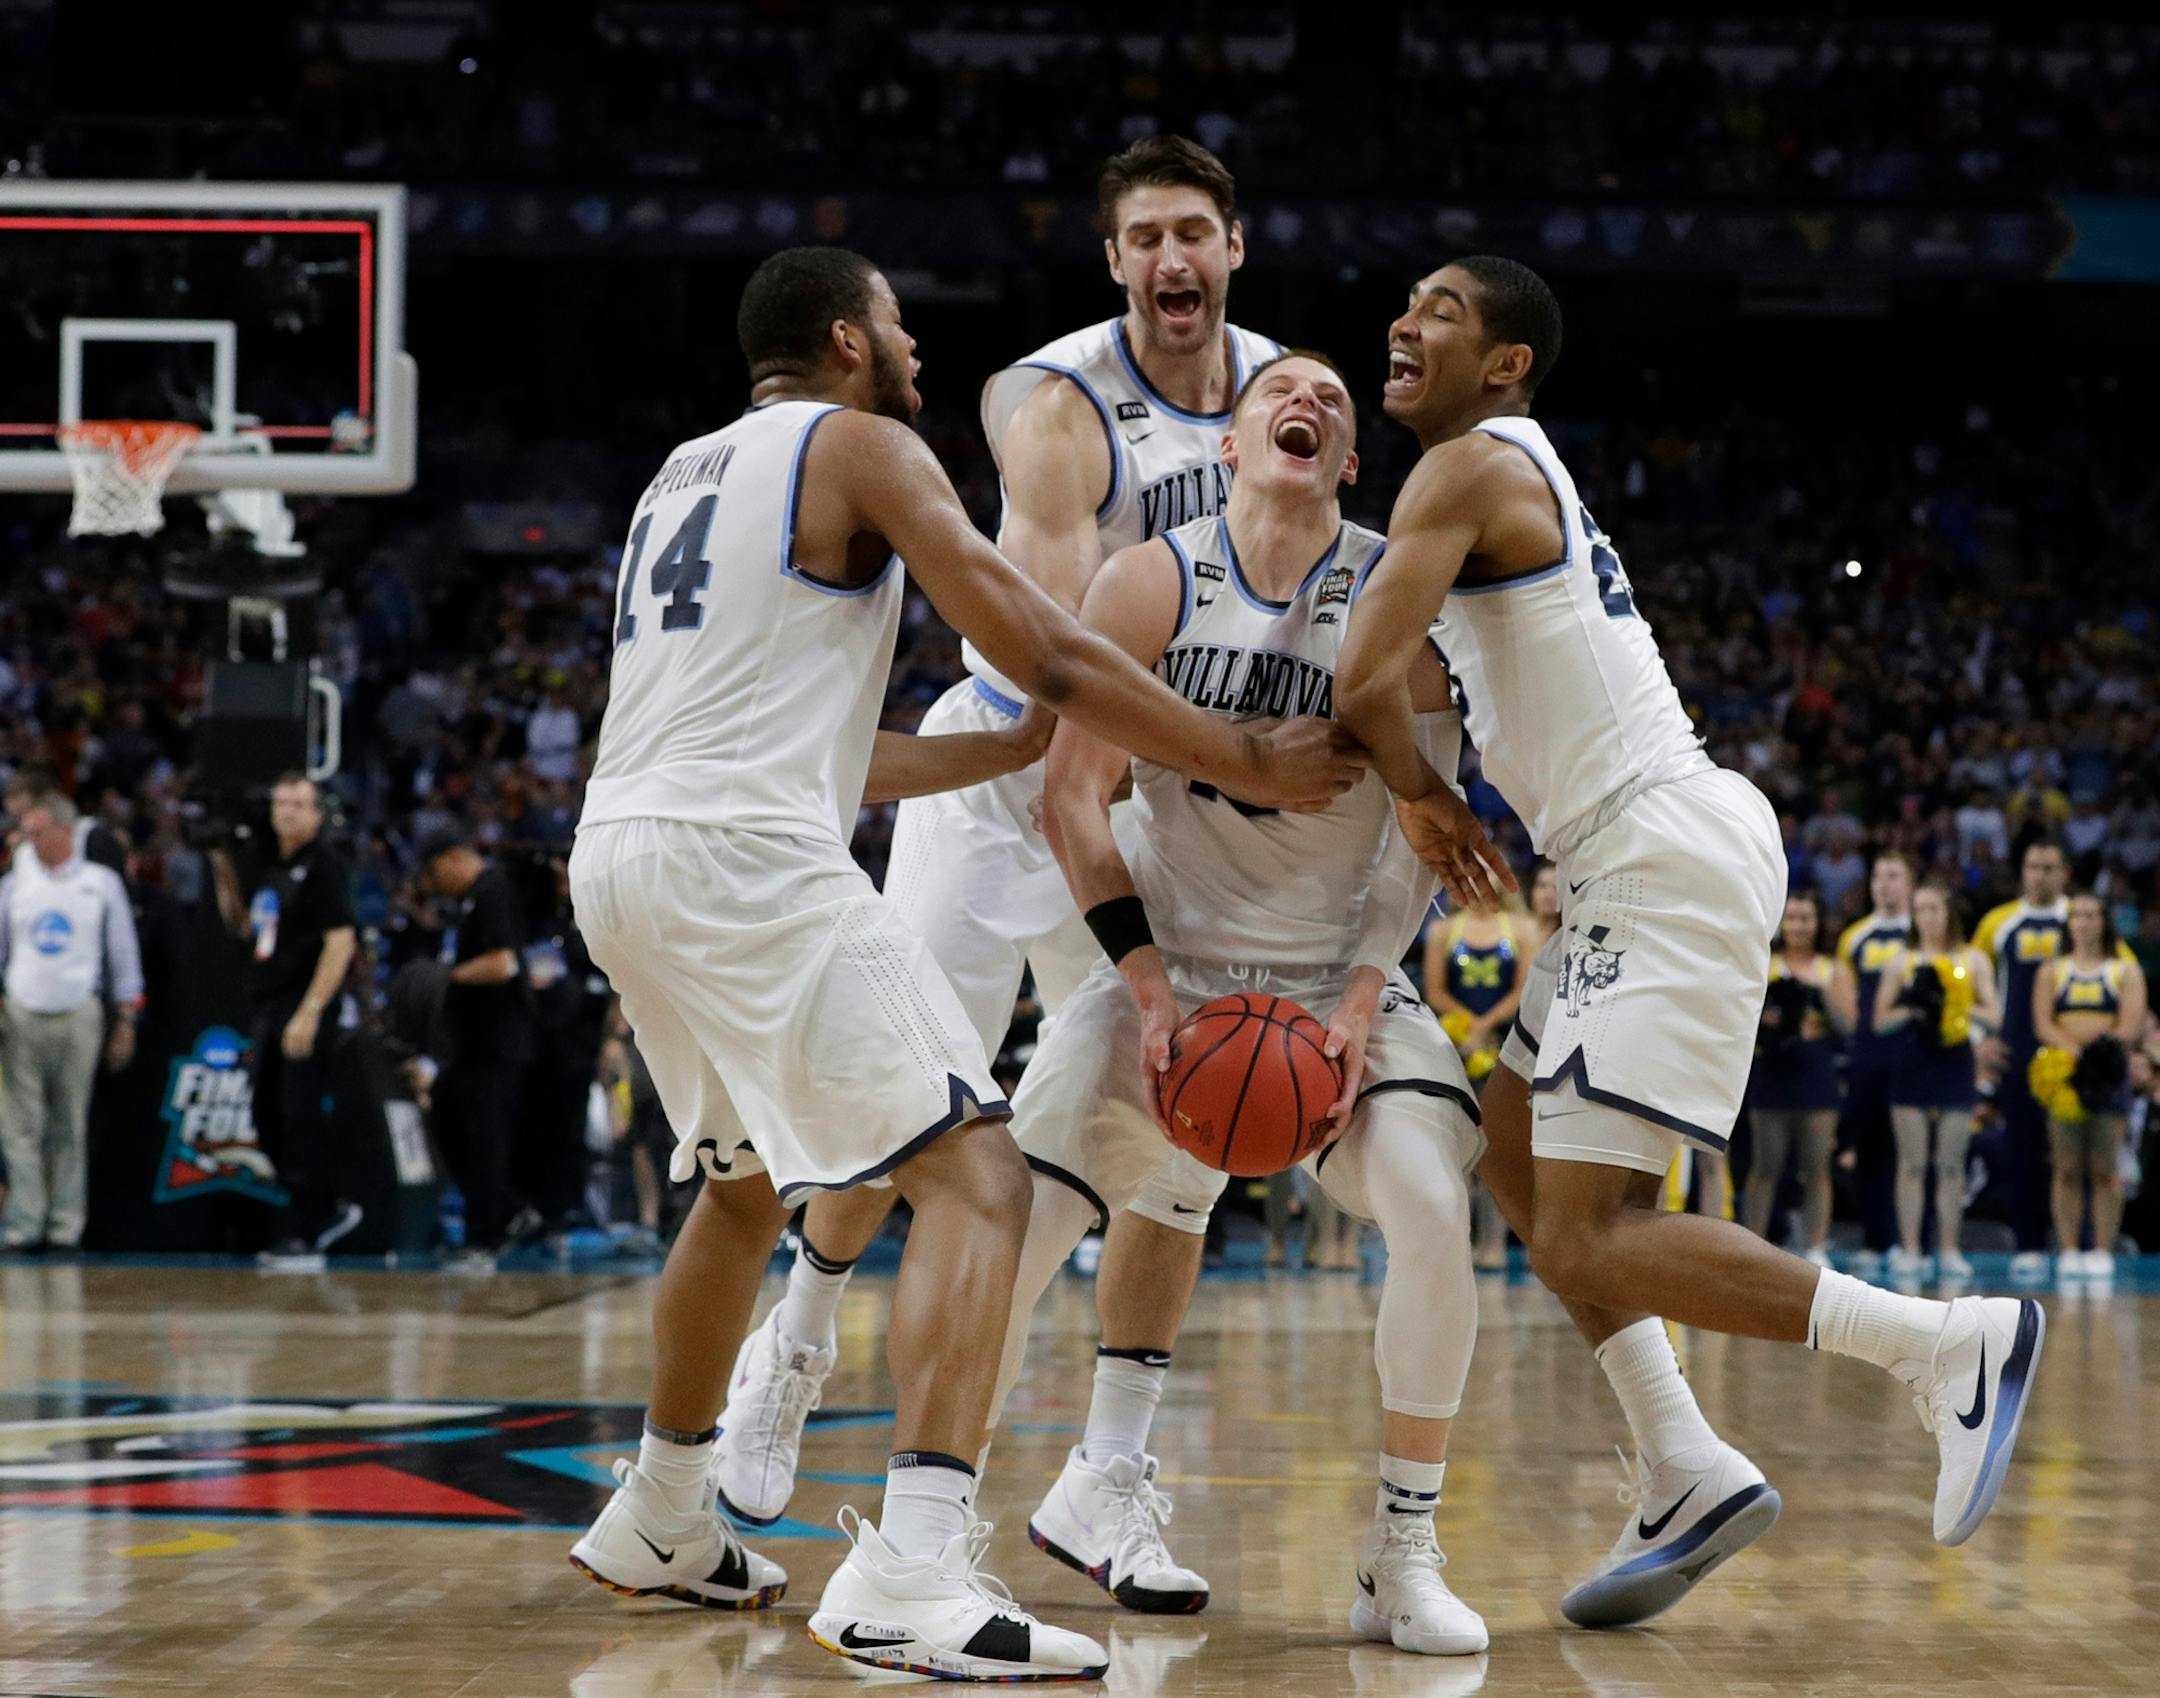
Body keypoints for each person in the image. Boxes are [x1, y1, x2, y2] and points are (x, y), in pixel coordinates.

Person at [563, 247, 1358, 1683]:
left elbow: (828, 747)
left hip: (626, 853)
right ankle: (913, 1572)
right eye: (899, 323)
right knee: (978, 1177)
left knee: (743, 1189)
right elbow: (1047, 651)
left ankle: (664, 1512)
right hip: (748, 861)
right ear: (844, 337)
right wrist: (1240, 752)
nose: (917, 344)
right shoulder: (861, 444)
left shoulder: (680, 474)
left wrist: (992, 755)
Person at [1336, 254, 2044, 1562]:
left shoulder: (1472, 461)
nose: (1404, 317)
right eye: (1410, 299)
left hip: (1654, 847)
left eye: (1443, 308)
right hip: (1634, 855)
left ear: (1506, 364)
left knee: (1592, 1229)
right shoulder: (1495, 472)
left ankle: (1944, 1343)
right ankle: (1685, 1458)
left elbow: (1360, 679)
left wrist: (1422, 800)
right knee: (1511, 1150)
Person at [711, 137, 1290, 1611]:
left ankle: (1107, 1477)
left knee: (1184, 1123)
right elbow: (1055, 645)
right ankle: (798, 1333)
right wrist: (1232, 744)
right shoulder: (1054, 404)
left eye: (1194, 234)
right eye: (1145, 237)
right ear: (1115, 263)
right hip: (1011, 767)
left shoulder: (1295, 395)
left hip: (1164, 780)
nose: (1171, 260)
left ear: (1234, 248)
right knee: (904, 1095)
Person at [989, 350, 1488, 1655]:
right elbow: (1069, 795)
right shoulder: (1154, 577)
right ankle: (931, 1531)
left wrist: (1369, 993)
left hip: (1333, 976)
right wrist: (1145, 989)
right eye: (1283, 390)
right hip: (1168, 958)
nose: (1307, 400)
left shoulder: (1396, 588)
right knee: (1010, 1221)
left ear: (1350, 457)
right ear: (1229, 442)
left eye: (1328, 396)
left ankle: (1403, 1548)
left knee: (1435, 1210)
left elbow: (1419, 836)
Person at [1972, 841, 2132, 1273]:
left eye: (2048, 867)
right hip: (2019, 1053)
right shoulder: (1998, 923)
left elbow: (2125, 978)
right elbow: (1968, 978)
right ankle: (2029, 1245)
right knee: (2023, 1151)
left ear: (2064, 873)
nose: (2039, 874)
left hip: (2083, 1062)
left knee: (2080, 1157)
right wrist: (1979, 1039)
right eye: (2031, 866)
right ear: (2021, 872)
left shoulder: (2083, 919)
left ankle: (2083, 1247)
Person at [0, 795, 141, 1250]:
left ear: (64, 832)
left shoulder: (99, 884)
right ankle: (24, 1224)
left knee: (69, 1125)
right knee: (19, 1127)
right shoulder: (13, 884)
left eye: (37, 832)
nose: (27, 841)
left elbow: (123, 954)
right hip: (20, 1012)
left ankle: (65, 1226)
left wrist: (127, 1017)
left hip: (80, 1011)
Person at [247, 774, 362, 1273]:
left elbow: (341, 941)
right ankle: (327, 1203)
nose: (288, 810)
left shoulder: (324, 865)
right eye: (282, 800)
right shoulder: (273, 865)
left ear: (318, 814)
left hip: (305, 1003)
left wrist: (310, 1012)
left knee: (299, 1116)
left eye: (299, 803)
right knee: (264, 1112)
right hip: (270, 1002)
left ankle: (305, 1233)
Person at [417, 833, 536, 1275]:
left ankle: (486, 1238)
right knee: (453, 1121)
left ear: (451, 859)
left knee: (484, 1141)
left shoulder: (492, 891)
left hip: (497, 1043)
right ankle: (508, 1210)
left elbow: (503, 964)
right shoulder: (473, 899)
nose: (435, 884)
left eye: (433, 873)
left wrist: (445, 977)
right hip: (474, 1046)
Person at [1873, 885, 1998, 1283]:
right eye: (1920, 909)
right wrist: (1914, 1002)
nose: (1926, 916)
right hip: (1914, 1061)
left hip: (1956, 1061)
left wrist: (1956, 1003)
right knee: (1911, 1163)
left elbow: (1994, 1016)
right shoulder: (1902, 961)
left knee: (1950, 1164)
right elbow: (1879, 1021)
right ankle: (1910, 1248)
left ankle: (1948, 1248)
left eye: (1934, 908)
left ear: (1949, 913)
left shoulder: (1973, 959)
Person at [2032, 891, 2147, 1279]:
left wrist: (2097, 1055)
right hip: (2064, 1076)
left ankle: (2101, 1249)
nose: (2083, 922)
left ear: (2104, 921)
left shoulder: (2124, 971)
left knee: (2104, 1166)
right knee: (2066, 1166)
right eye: (2077, 915)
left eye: (2091, 915)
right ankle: (2068, 1249)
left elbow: (2130, 1024)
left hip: (2107, 1078)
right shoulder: (2052, 970)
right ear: (2069, 923)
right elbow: (2043, 1023)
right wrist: (2073, 1052)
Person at [1425, 895, 1527, 1269]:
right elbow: (1435, 991)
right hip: (1456, 1046)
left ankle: (1494, 1243)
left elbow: (1522, 989)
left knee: (1497, 1151)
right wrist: (1467, 1026)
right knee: (1456, 1152)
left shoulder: (1520, 928)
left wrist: (1485, 1027)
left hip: (1504, 1044)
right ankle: (1456, 1242)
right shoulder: (1443, 930)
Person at [1743, 892, 1844, 1262]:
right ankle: (1751, 1247)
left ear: (1818, 924)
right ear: (1781, 923)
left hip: (1815, 1071)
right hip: (1771, 1069)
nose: (1799, 926)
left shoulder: (1832, 969)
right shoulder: (1763, 963)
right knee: (1765, 1165)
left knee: (1817, 1166)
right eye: (1793, 918)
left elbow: (1850, 1024)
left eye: (1806, 918)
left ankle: (1816, 1247)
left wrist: (1817, 994)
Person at [1833, 852, 1918, 1257]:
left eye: (1894, 875)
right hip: (1870, 1055)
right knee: (1870, 1147)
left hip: (1915, 1053)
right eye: (1879, 876)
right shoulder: (1856, 937)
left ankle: (1913, 1239)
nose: (1885, 883)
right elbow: (1847, 1000)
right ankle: (1876, 1237)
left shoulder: (1923, 935)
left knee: (1913, 1150)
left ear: (1909, 884)